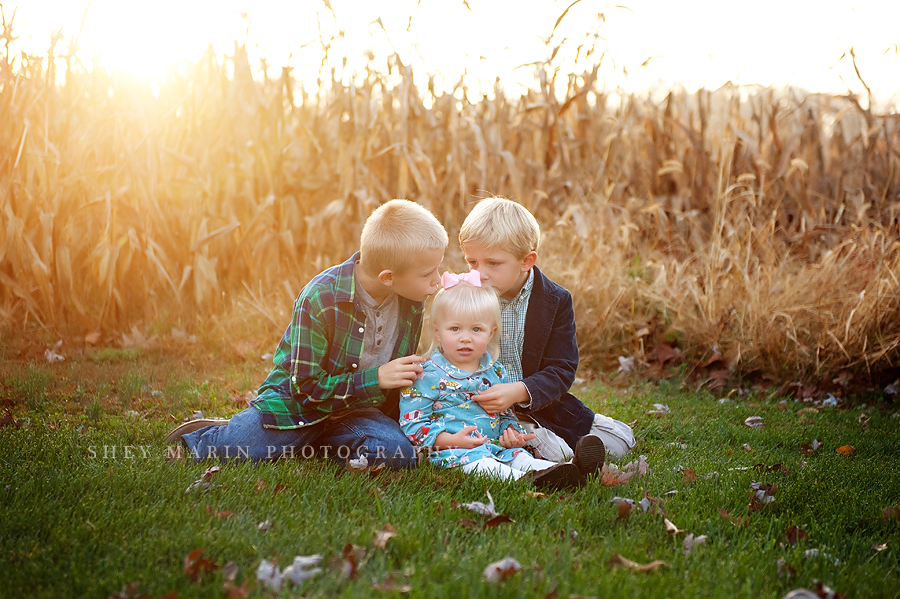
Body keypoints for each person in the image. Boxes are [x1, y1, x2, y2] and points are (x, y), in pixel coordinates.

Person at [164, 199, 448, 469]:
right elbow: (305, 388)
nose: (437, 279)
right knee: (243, 448)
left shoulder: (410, 297)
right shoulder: (320, 297)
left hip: (357, 411)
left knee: (395, 454)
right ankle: (226, 433)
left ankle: (307, 441)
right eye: (428, 273)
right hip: (296, 405)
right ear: (388, 276)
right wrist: (376, 379)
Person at [458, 197, 635, 470]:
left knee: (619, 443)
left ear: (526, 261)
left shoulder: (555, 301)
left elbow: (562, 368)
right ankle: (549, 454)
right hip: (480, 406)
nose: (480, 273)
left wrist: (519, 391)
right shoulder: (464, 297)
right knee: (555, 451)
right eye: (472, 262)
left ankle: (553, 444)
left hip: (537, 403)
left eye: (493, 263)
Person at [399, 272, 584, 490]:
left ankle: (551, 472)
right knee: (486, 466)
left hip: (496, 447)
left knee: (520, 457)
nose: (465, 337)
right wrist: (450, 440)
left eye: (476, 329)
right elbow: (413, 424)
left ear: (490, 333)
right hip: (454, 452)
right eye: (455, 329)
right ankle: (522, 481)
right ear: (437, 331)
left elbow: (505, 413)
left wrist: (512, 434)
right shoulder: (426, 375)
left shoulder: (495, 371)